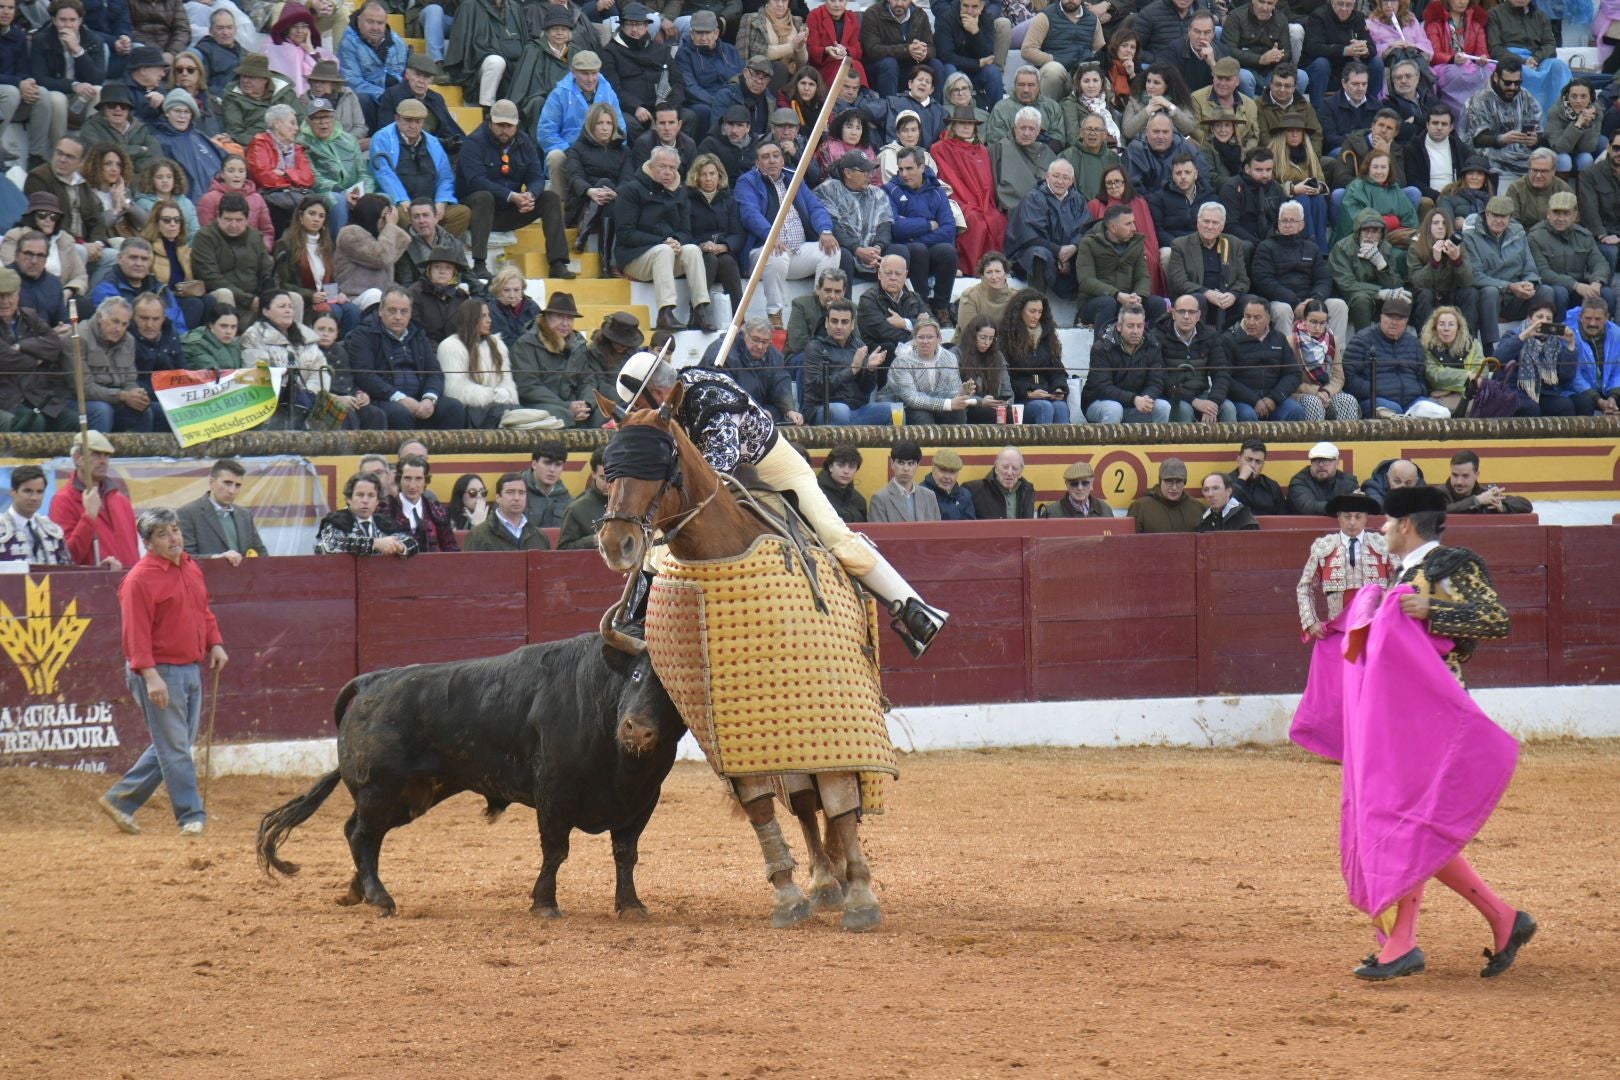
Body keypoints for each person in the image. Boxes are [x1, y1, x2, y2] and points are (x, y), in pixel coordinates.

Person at [1323, 482, 1534, 983]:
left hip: (1434, 710)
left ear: (1407, 524)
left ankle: (1405, 943)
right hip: (1399, 712)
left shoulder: (1447, 568)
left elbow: (1493, 619)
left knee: (1406, 820)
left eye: (1387, 522)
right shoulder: (1406, 573)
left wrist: (1431, 610)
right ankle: (1502, 919)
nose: (1381, 529)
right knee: (1409, 821)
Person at [614, 349, 950, 655]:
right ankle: (636, 620)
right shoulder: (680, 399)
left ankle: (913, 608)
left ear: (657, 394)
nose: (639, 416)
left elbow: (718, 472)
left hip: (773, 464)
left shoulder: (709, 400)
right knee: (658, 537)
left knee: (832, 533)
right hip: (714, 466)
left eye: (639, 407)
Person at [93, 507, 228, 838]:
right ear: (148, 542)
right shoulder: (139, 579)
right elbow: (135, 635)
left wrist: (216, 643)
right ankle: (190, 816)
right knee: (176, 748)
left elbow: (202, 611)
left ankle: (120, 800)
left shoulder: (190, 567)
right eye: (163, 534)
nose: (174, 538)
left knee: (174, 745)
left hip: (189, 666)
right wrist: (150, 676)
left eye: (176, 530)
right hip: (160, 671)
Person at [457, 98, 570, 281]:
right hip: (479, 212)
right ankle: (479, 263)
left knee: (550, 198)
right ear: (490, 121)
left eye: (509, 125)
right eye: (500, 125)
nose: (504, 130)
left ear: (516, 125)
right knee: (483, 196)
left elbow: (536, 176)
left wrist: (530, 195)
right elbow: (476, 180)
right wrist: (511, 196)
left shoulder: (524, 142)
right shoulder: (474, 142)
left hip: (511, 210)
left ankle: (558, 263)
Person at [735, 139, 841, 328]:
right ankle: (774, 314)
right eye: (765, 157)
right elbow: (750, 214)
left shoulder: (794, 178)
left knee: (832, 250)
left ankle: (821, 308)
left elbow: (816, 208)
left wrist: (825, 230)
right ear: (757, 164)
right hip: (762, 253)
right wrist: (771, 236)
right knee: (776, 255)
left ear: (783, 160)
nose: (772, 161)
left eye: (776, 156)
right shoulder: (747, 182)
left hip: (797, 251)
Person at [617, 145, 713, 333]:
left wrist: (677, 240)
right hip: (634, 257)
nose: (667, 172)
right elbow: (625, 234)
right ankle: (665, 312)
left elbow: (686, 231)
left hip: (666, 254)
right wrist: (663, 241)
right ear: (651, 166)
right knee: (664, 250)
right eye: (662, 166)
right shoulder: (631, 189)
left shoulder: (681, 193)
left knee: (693, 249)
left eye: (672, 168)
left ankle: (700, 309)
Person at [346, 287, 469, 430]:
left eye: (404, 311)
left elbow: (434, 372)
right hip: (383, 399)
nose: (398, 317)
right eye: (392, 311)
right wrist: (399, 398)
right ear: (380, 311)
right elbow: (364, 375)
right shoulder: (364, 334)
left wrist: (429, 398)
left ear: (410, 314)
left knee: (453, 407)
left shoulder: (418, 333)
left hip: (419, 398)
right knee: (400, 414)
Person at [1295, 489, 1394, 636]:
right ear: (1339, 517)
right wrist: (1311, 621)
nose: (1352, 522)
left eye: (1358, 517)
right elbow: (1305, 588)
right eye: (1347, 517)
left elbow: (1399, 584)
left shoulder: (1383, 546)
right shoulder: (1324, 547)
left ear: (1366, 517)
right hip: (1338, 631)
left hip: (1375, 630)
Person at [1464, 194, 1553, 354]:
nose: (1499, 220)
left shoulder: (1518, 232)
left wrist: (1529, 283)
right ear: (1486, 214)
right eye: (1495, 215)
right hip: (1490, 299)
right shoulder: (1470, 235)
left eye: (1503, 216)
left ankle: (1544, 343)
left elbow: (1530, 267)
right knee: (1489, 292)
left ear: (1510, 217)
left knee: (1546, 291)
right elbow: (1474, 275)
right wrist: (1509, 287)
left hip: (1516, 297)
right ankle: (1489, 348)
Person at [886, 146, 957, 324]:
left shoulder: (937, 191)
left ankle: (941, 307)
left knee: (947, 251)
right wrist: (928, 224)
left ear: (922, 167)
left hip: (924, 248)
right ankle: (922, 307)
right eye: (900, 169)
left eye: (909, 168)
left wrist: (916, 234)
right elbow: (895, 227)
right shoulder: (890, 190)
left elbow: (949, 229)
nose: (904, 174)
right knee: (918, 250)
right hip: (906, 252)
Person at [48, 430, 139, 568]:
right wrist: (88, 518)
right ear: (78, 458)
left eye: (106, 455)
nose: (103, 461)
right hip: (91, 586)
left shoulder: (121, 501)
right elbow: (66, 559)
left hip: (128, 584)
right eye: (96, 454)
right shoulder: (63, 501)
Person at [1004, 157, 1092, 296]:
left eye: (1065, 178)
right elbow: (1030, 235)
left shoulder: (1078, 200)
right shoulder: (1033, 197)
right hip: (1035, 254)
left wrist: (1073, 248)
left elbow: (1086, 230)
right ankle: (1036, 301)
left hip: (1070, 252)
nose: (1060, 181)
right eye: (1055, 176)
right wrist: (1059, 251)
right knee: (1039, 255)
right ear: (1047, 177)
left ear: (1071, 181)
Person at [801, 297, 893, 425]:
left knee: (892, 411)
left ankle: (854, 430)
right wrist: (853, 369)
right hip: (824, 408)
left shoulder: (859, 345)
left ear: (852, 325)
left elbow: (867, 389)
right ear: (826, 323)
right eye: (834, 321)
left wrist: (870, 369)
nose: (839, 326)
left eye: (844, 322)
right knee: (841, 411)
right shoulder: (815, 347)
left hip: (858, 410)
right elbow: (818, 389)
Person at [1492, 295, 1584, 416]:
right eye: (1539, 317)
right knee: (1530, 408)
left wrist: (1571, 345)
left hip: (1543, 392)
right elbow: (1497, 359)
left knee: (1564, 406)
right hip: (1514, 390)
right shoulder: (1514, 335)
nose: (1544, 321)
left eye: (1548, 318)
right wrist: (1525, 336)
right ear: (1529, 319)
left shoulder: (1554, 342)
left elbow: (1566, 376)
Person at [1527, 191, 1615, 317]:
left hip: (1580, 289)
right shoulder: (1535, 237)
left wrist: (1597, 282)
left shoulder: (1584, 236)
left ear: (1575, 216)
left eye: (1566, 214)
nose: (1561, 219)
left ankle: (1605, 333)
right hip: (1552, 289)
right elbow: (1543, 272)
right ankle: (1558, 333)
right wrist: (1575, 285)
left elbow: (1600, 263)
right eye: (1556, 213)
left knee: (1606, 294)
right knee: (1560, 292)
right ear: (1548, 214)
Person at [698, 316, 801, 423]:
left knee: (779, 413)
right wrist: (756, 411)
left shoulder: (774, 355)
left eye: (765, 342)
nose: (760, 346)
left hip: (758, 411)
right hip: (723, 413)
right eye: (755, 340)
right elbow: (724, 393)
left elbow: (780, 384)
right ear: (743, 334)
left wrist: (789, 410)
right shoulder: (722, 352)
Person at [439, 298, 518, 429]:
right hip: (472, 411)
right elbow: (456, 389)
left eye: (489, 315)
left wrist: (507, 392)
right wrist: (491, 395)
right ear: (470, 319)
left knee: (523, 416)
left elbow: (506, 380)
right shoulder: (451, 346)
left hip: (500, 406)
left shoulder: (497, 344)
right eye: (483, 316)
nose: (489, 320)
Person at [1083, 302, 1167, 424]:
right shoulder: (1102, 347)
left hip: (1139, 400)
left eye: (1139, 326)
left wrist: (1146, 399)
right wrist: (1134, 399)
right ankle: (1108, 443)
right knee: (1114, 409)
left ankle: (1158, 443)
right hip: (1099, 401)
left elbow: (1156, 382)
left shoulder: (1153, 345)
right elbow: (1103, 387)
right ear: (1119, 326)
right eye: (1130, 326)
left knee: (1163, 407)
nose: (1135, 331)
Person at [878, 315, 968, 424]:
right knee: (922, 416)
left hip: (934, 401)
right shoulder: (903, 360)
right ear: (914, 340)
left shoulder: (949, 357)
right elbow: (911, 398)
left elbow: (951, 392)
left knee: (958, 412)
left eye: (930, 337)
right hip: (902, 404)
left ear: (939, 339)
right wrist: (948, 404)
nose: (925, 341)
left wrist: (961, 393)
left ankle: (955, 441)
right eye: (921, 337)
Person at [1465, 56, 1542, 181]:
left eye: (1517, 83)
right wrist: (1501, 139)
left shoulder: (1524, 96)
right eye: (1507, 83)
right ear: (1496, 77)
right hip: (1491, 155)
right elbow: (1476, 139)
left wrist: (1535, 139)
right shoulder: (1480, 99)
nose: (1512, 87)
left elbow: (1539, 130)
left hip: (1521, 153)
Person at [1000, 289, 1071, 424]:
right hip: (1020, 399)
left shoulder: (1048, 337)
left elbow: (1057, 371)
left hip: (1047, 394)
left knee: (1061, 407)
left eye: (1040, 312)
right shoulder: (1006, 339)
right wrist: (1029, 393)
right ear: (1019, 311)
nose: (1036, 316)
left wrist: (1058, 388)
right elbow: (1005, 378)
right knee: (1044, 407)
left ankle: (1064, 445)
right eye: (1032, 311)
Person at [337, 1, 409, 131]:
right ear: (359, 21)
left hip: (394, 97)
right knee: (362, 98)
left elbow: (405, 74)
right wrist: (384, 96)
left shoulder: (398, 42)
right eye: (370, 22)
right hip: (370, 99)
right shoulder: (348, 42)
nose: (375, 27)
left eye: (380, 23)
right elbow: (352, 81)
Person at [176, 457, 267, 560]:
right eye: (227, 483)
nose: (232, 491)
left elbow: (261, 553)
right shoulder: (188, 513)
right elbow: (185, 557)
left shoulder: (244, 514)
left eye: (237, 485)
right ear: (211, 482)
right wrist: (216, 559)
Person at [315, 470, 419, 556]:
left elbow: (413, 544)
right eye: (360, 495)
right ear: (349, 499)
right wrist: (374, 543)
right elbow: (331, 545)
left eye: (371, 495)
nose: (365, 500)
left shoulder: (385, 522)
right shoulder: (336, 521)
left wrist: (399, 547)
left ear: (377, 501)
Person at [382, 453, 459, 553]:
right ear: (399, 480)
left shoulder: (437, 510)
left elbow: (451, 549)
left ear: (425, 481)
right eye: (407, 478)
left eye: (418, 479)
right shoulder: (385, 508)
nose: (412, 486)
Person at [463, 469, 554, 552]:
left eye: (521, 493)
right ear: (498, 498)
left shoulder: (540, 537)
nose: (517, 498)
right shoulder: (478, 535)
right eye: (510, 492)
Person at [856, 252, 928, 355]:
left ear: (905, 275)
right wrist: (921, 334)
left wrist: (905, 323)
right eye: (888, 273)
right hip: (882, 356)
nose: (893, 277)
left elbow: (933, 324)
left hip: (914, 351)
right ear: (880, 274)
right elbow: (884, 333)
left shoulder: (915, 297)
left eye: (898, 273)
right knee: (888, 347)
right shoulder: (868, 299)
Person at [0, 465, 71, 564]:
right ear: (13, 492)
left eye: (39, 492)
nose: (34, 497)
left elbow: (66, 572)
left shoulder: (52, 531)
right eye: (27, 491)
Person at [866, 439, 941, 523]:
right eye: (901, 463)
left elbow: (936, 531)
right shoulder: (880, 498)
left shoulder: (929, 496)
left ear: (917, 465)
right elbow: (878, 534)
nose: (906, 469)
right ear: (892, 464)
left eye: (911, 463)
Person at [1445, 449, 1533, 514]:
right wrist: (1476, 500)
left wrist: (1503, 507)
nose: (1459, 482)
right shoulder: (1439, 493)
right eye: (1455, 475)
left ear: (1476, 475)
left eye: (1465, 476)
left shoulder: (1485, 494)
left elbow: (1525, 504)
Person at [1123, 457, 1196, 533]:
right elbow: (1129, 542)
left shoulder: (1196, 509)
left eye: (1178, 482)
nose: (1174, 487)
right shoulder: (1140, 508)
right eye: (1169, 481)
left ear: (1184, 482)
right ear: (1160, 481)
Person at [1289, 440, 1360, 516]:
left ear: (1337, 462)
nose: (1321, 465)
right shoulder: (1299, 481)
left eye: (1326, 460)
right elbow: (1308, 507)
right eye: (1316, 460)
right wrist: (1339, 507)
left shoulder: (1349, 482)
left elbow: (1357, 507)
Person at [556, 450, 608, 550]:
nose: (608, 484)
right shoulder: (576, 509)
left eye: (612, 478)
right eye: (603, 478)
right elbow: (563, 550)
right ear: (593, 474)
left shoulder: (630, 505)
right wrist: (593, 540)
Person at [1227, 439, 1290, 517]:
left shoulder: (1271, 486)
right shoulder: (1224, 483)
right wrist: (1241, 480)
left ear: (1263, 464)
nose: (1253, 465)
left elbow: (1283, 517)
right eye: (1248, 460)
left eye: (1258, 462)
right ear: (1238, 459)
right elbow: (1224, 509)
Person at [520, 442, 572, 528]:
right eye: (547, 463)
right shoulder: (515, 491)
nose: (552, 470)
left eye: (558, 465)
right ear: (534, 464)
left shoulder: (566, 500)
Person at [1040, 461, 1112, 518]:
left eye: (1085, 483)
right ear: (1067, 485)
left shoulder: (1105, 509)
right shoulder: (1051, 513)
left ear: (1091, 484)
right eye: (1074, 484)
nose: (1080, 488)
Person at [922, 447, 974, 520]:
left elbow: (971, 528)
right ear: (933, 468)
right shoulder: (921, 494)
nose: (947, 477)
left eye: (952, 472)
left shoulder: (965, 495)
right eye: (943, 470)